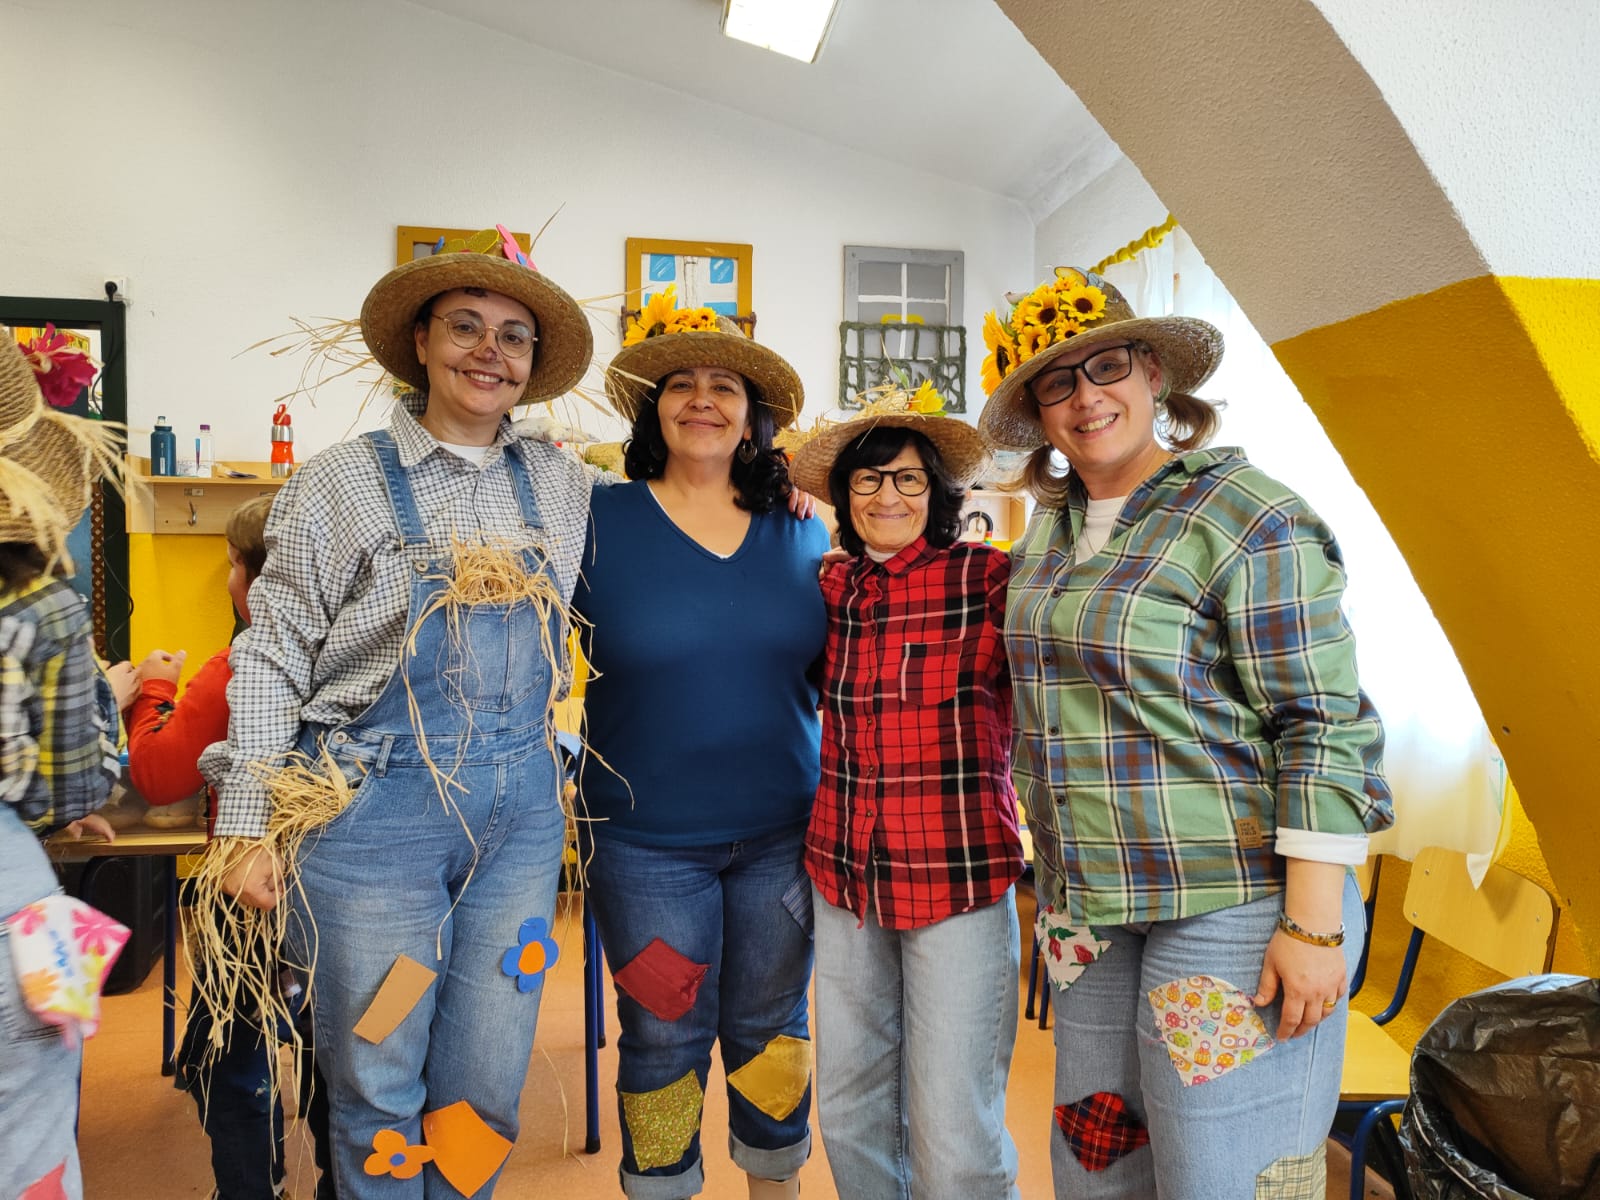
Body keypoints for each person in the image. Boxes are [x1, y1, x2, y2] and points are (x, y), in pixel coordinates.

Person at [977, 267, 1393, 1198]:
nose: (1086, 398)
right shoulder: (1046, 535)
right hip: (1089, 905)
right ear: (1039, 414)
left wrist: (1313, 924)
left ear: (1155, 374)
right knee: (1099, 1157)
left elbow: (1322, 721)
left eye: (1108, 368)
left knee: (1217, 1171)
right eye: (1057, 383)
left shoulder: (1248, 516)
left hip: (1228, 905)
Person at [199, 227, 595, 1198]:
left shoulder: (565, 483)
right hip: (373, 827)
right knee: (378, 1080)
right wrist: (246, 822)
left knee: (484, 1087)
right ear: (419, 342)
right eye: (465, 326)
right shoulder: (338, 481)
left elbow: (680, 513)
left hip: (517, 826)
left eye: (513, 336)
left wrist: (781, 494)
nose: (489, 351)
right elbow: (272, 649)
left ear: (532, 364)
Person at [574, 295, 827, 1200]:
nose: (702, 399)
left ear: (755, 417)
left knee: (772, 1030)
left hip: (782, 838)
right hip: (644, 845)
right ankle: (662, 1185)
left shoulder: (805, 527)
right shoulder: (596, 522)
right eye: (680, 383)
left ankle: (775, 1184)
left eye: (725, 385)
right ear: (654, 411)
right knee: (662, 1038)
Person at [789, 386, 1025, 1200]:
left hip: (957, 876)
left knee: (954, 1129)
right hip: (843, 876)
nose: (888, 495)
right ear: (844, 495)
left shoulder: (987, 579)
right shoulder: (828, 586)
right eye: (868, 479)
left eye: (909, 479)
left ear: (939, 494)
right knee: (850, 1109)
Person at [126, 493, 334, 1200]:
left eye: (231, 565)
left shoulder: (233, 671)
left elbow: (159, 774)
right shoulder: (350, 660)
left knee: (232, 1057)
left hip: (246, 899)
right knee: (338, 1053)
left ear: (253, 578)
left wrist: (153, 690)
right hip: (340, 890)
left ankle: (251, 1188)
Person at [0, 326, 127, 1200]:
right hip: (15, 905)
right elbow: (73, 785)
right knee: (31, 1149)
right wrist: (107, 698)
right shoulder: (42, 603)